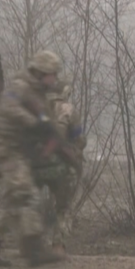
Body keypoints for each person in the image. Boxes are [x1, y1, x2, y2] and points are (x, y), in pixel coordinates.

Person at [0, 50, 70, 267]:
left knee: (13, 200)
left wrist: (50, 138)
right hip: (7, 149)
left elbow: (46, 122)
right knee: (27, 194)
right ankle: (33, 251)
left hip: (19, 151)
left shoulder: (38, 94)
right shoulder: (20, 86)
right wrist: (35, 123)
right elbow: (10, 109)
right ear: (41, 72)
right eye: (52, 74)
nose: (55, 79)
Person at [37, 80, 86, 259]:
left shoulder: (37, 109)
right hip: (63, 166)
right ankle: (58, 246)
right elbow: (79, 140)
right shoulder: (69, 110)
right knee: (64, 208)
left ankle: (31, 244)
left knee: (28, 203)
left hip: (38, 164)